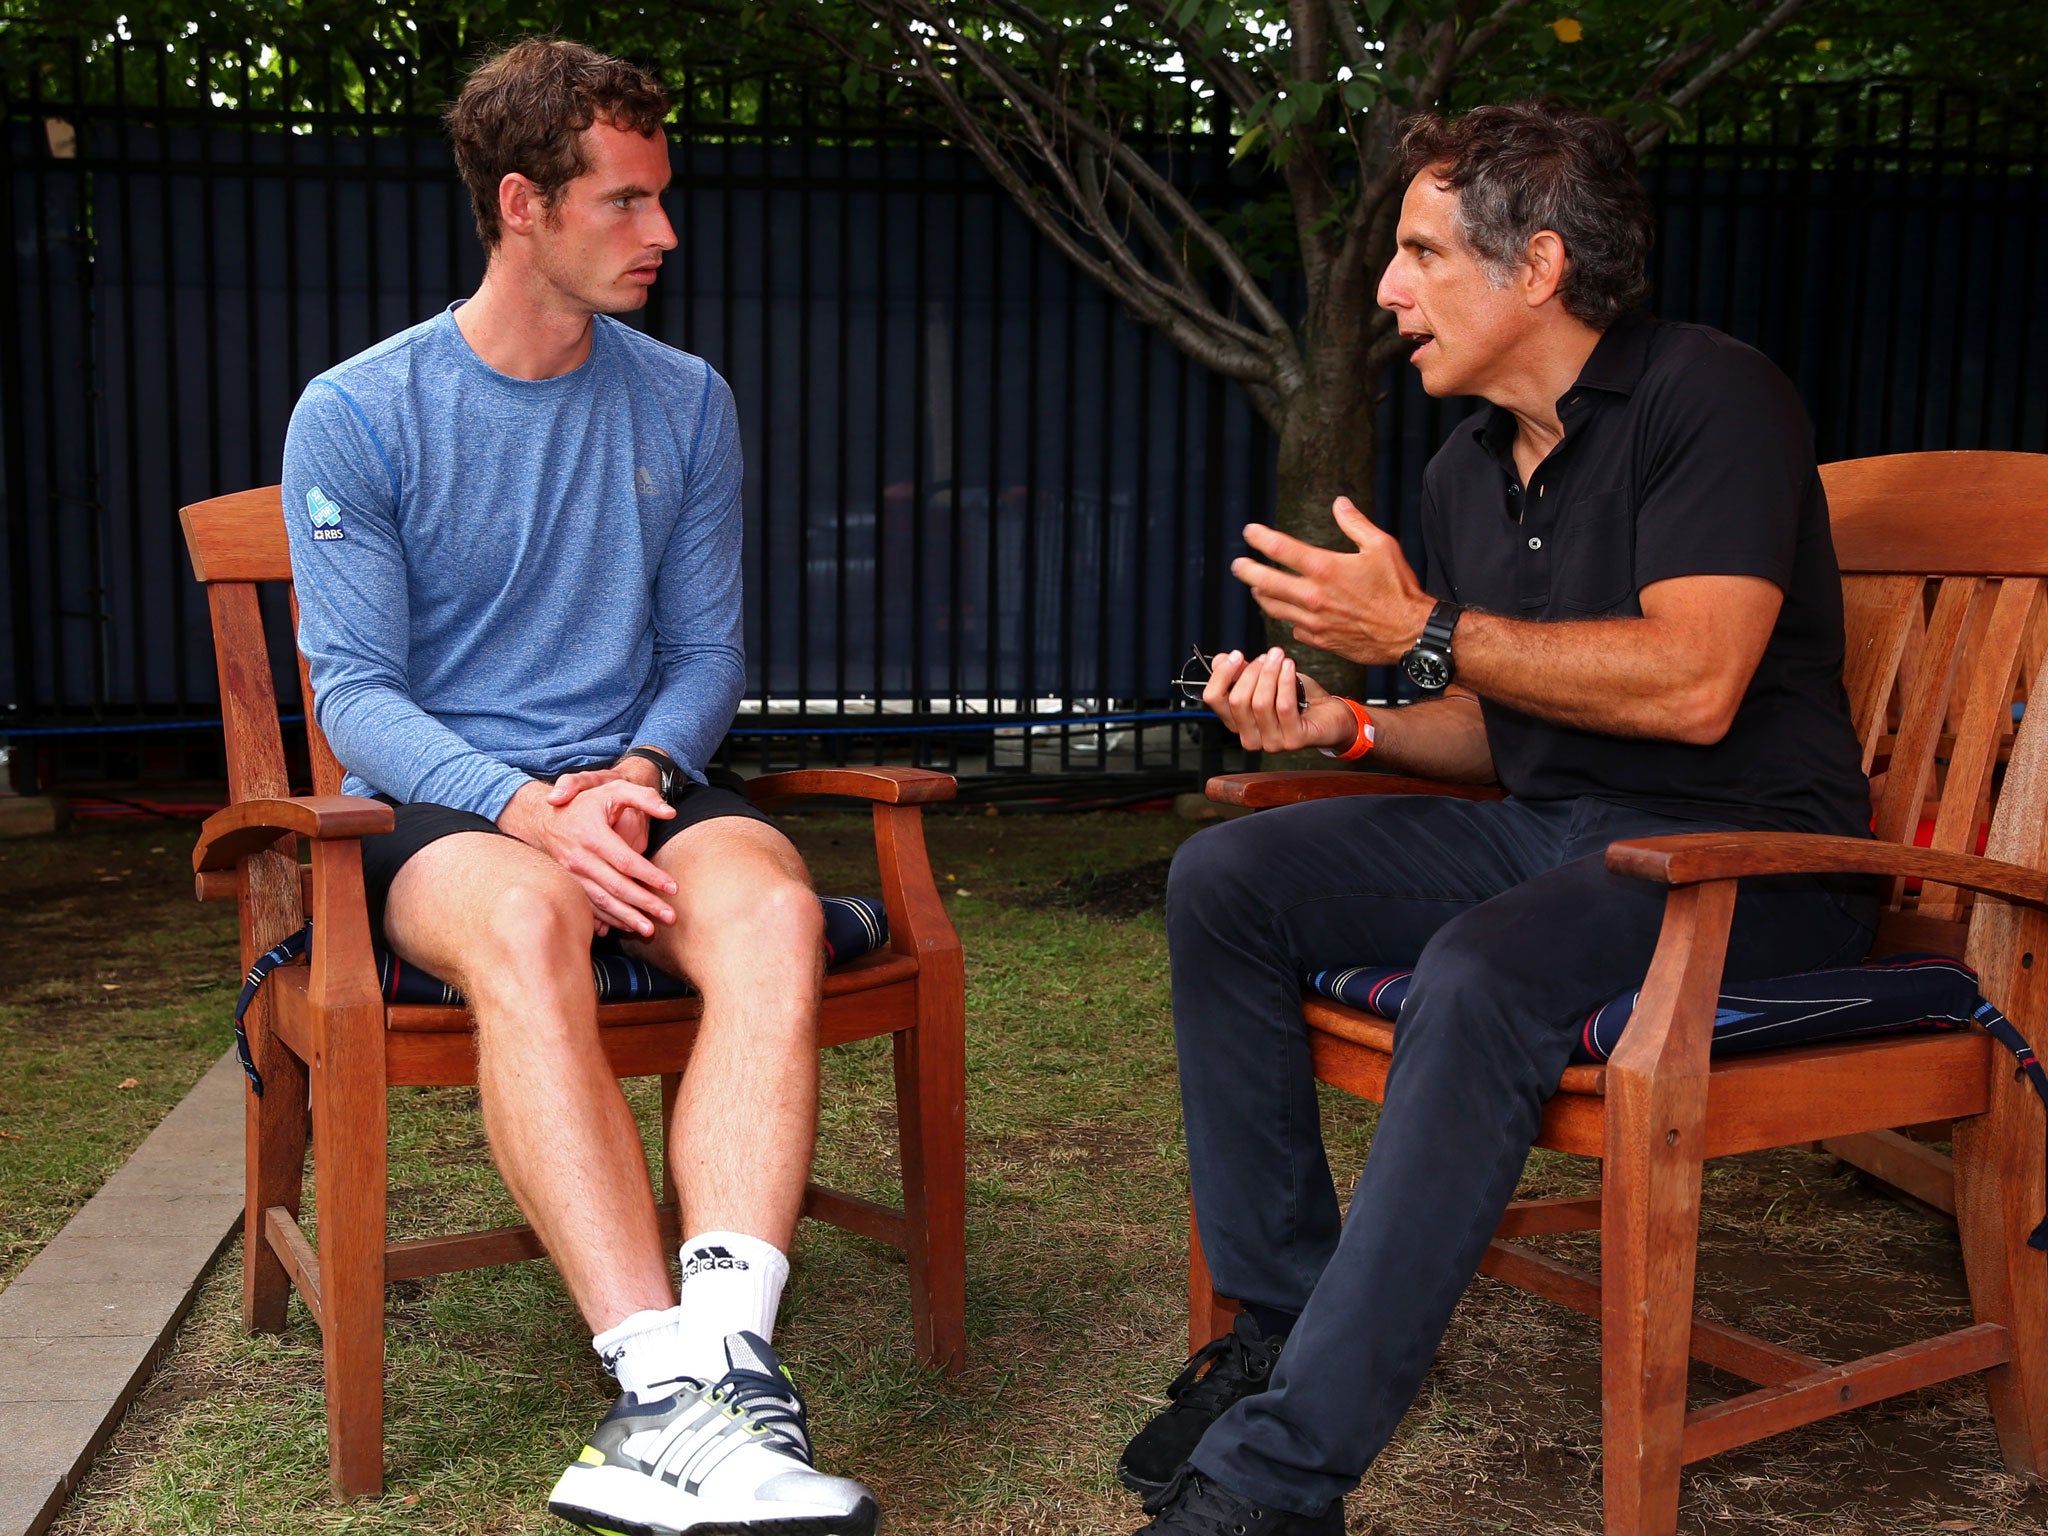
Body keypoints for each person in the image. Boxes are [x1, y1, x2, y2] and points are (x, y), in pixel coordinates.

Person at [1119, 101, 1879, 1534]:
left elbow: (1698, 682)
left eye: (1415, 253)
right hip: (1556, 837)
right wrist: (1347, 722)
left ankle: (1280, 1486)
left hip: (1754, 864)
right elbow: (1498, 723)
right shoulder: (1466, 467)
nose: (1386, 291)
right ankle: (1287, 1332)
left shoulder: (1711, 396)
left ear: (1535, 266)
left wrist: (1420, 622)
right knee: (1231, 878)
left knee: (1482, 970)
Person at [281, 39, 876, 1536]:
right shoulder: (357, 413)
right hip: (446, 804)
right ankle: (654, 1387)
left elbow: (706, 647)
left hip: (635, 777)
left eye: (662, 199)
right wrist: (527, 806)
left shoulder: (683, 400)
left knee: (773, 912)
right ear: (521, 205)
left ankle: (729, 1357)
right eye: (625, 203)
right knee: (533, 923)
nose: (664, 233)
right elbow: (356, 697)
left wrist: (634, 771)